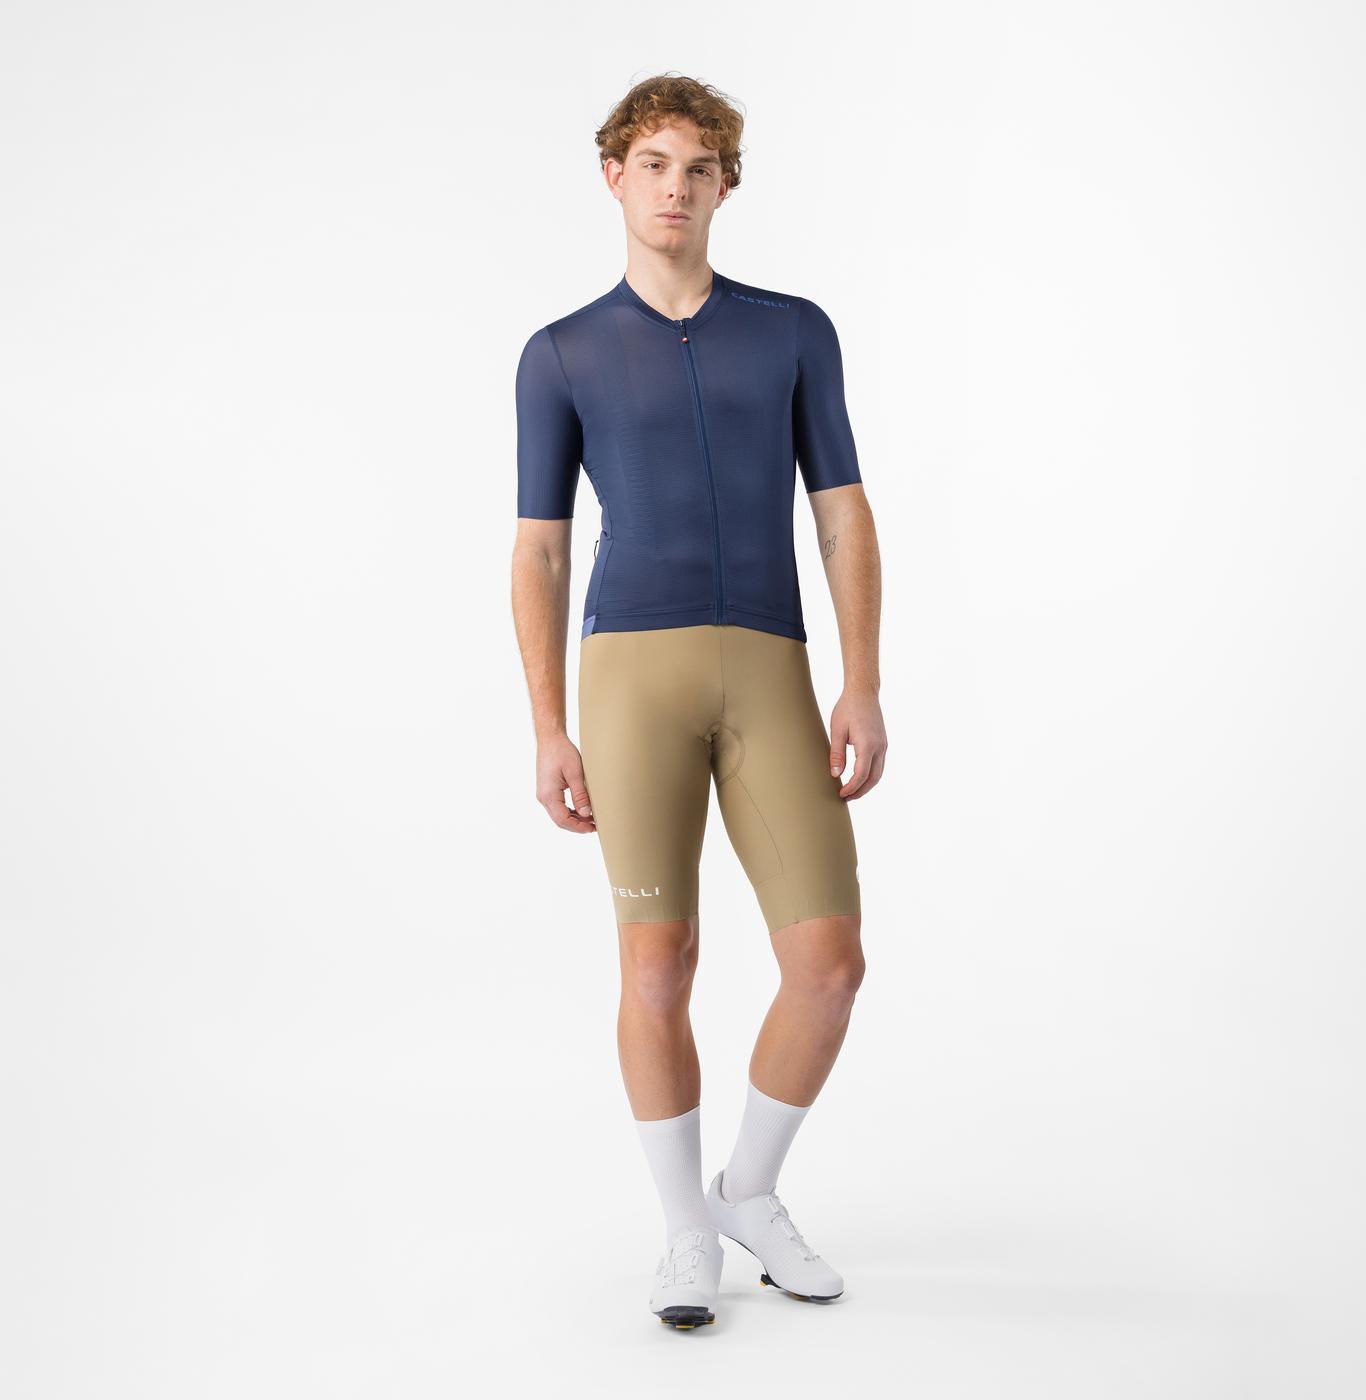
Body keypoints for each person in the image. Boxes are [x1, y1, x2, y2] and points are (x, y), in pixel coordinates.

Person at [510, 73, 887, 1330]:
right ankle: (683, 1230)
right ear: (611, 175)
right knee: (656, 960)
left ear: (727, 185)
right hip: (630, 674)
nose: (675, 188)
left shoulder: (792, 332)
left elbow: (841, 515)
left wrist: (861, 680)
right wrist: (548, 723)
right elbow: (539, 551)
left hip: (770, 666)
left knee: (826, 963)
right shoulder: (561, 353)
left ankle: (746, 1191)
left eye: (699, 167)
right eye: (653, 164)